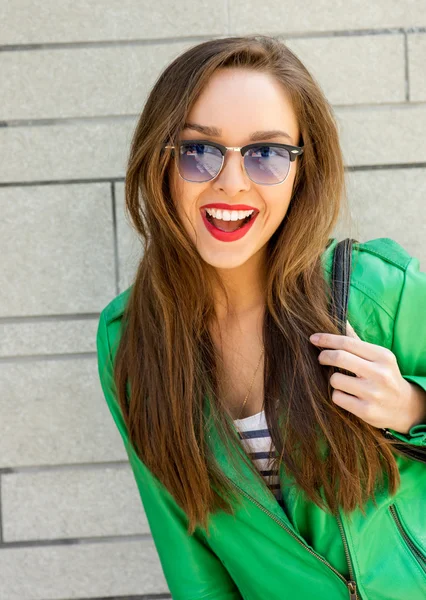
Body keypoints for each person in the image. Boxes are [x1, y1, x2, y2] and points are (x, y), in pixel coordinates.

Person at [96, 35, 426, 600]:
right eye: (199, 150)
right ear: (161, 160)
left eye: (266, 154)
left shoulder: (376, 290)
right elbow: (189, 555)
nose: (231, 182)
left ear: (302, 169)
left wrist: (413, 406)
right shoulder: (129, 341)